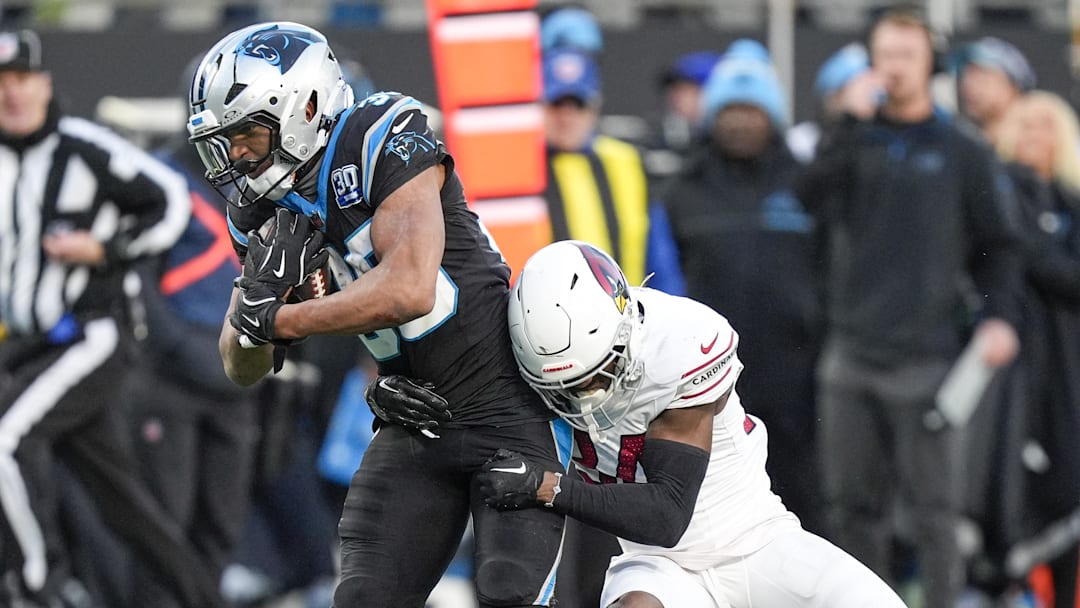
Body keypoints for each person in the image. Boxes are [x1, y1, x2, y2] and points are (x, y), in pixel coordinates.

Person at [186, 22, 569, 607]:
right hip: (418, 415)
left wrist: (276, 321)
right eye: (225, 141)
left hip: (510, 406)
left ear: (303, 107)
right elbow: (240, 366)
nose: (236, 156)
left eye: (248, 135)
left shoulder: (380, 133)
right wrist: (258, 304)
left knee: (511, 593)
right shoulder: (259, 213)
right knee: (364, 597)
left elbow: (411, 288)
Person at [464, 239, 906, 607]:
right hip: (657, 564)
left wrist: (547, 486)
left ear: (624, 330)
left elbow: (667, 514)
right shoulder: (509, 362)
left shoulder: (679, 342)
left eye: (596, 375)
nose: (583, 398)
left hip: (755, 540)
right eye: (564, 389)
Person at [794, 9, 1024, 607]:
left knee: (935, 512)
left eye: (906, 55)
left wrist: (1001, 317)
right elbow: (805, 199)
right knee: (850, 508)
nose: (893, 68)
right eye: (884, 55)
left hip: (929, 359)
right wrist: (844, 122)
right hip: (851, 353)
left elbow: (998, 247)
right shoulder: (852, 138)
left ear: (931, 64)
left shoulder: (960, 151)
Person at [0, 28, 222, 608]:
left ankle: (34, 587)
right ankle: (198, 596)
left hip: (90, 334)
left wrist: (106, 250)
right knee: (122, 500)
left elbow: (171, 203)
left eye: (22, 79)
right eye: (1, 83)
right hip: (23, 345)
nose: (13, 94)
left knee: (6, 440)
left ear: (46, 84)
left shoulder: (84, 149)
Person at [660, 38, 825, 535]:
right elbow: (665, 282)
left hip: (798, 380)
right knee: (711, 508)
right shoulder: (681, 190)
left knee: (802, 505)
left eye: (752, 109)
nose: (739, 121)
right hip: (710, 383)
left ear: (772, 116)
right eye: (729, 109)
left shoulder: (807, 183)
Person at [541, 46, 683, 295]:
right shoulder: (519, 170)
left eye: (578, 105)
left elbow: (660, 258)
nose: (567, 116)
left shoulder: (627, 162)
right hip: (541, 323)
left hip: (627, 321)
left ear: (595, 108)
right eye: (556, 104)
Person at [786, 42, 884, 163]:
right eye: (863, 86)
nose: (872, 93)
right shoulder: (802, 140)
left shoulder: (883, 140)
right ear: (836, 96)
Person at [955, 36, 1035, 146]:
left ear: (1014, 87)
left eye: (981, 76)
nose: (969, 86)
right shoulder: (965, 148)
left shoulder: (1036, 146)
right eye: (966, 76)